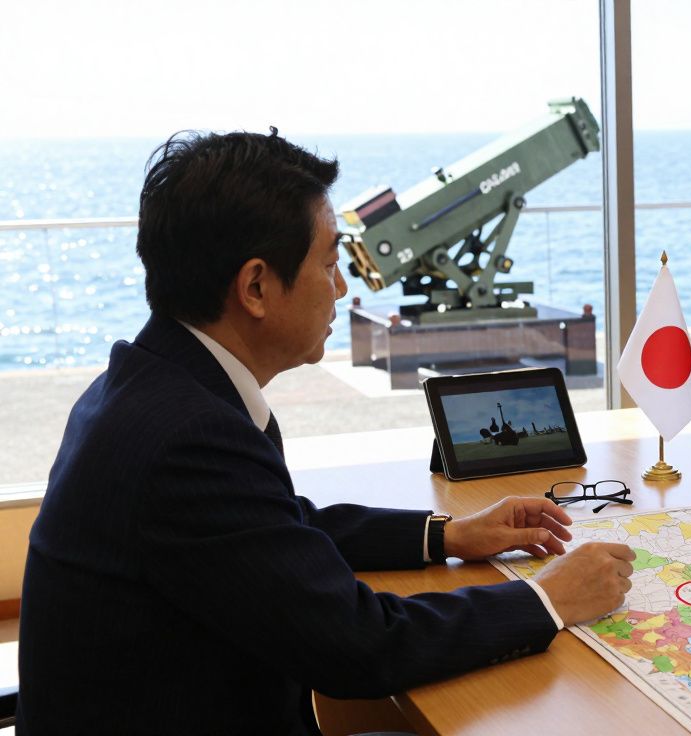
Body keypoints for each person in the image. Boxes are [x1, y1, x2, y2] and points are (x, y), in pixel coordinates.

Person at [17, 129, 636, 734]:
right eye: (330, 262)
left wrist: (449, 534)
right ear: (256, 286)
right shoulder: (190, 439)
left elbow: (276, 524)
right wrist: (549, 599)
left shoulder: (146, 384)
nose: (342, 287)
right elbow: (362, 645)